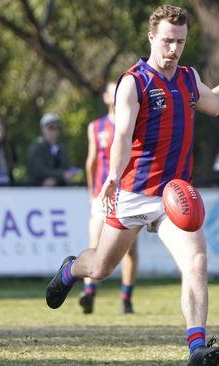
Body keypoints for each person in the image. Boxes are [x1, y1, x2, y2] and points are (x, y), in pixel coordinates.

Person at [45, 5, 219, 366]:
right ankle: (72, 269)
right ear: (151, 37)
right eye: (168, 40)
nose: (174, 48)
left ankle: (196, 346)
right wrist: (111, 177)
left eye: (180, 41)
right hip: (134, 194)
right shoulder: (133, 82)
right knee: (101, 268)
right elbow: (121, 136)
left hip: (174, 196)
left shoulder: (187, 78)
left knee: (197, 261)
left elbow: (216, 103)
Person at [80, 82, 139, 315]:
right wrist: (92, 191)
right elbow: (91, 161)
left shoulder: (135, 123)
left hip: (127, 194)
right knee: (94, 243)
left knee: (130, 250)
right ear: (105, 97)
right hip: (102, 195)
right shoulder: (96, 127)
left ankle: (126, 297)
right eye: (112, 92)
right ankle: (89, 292)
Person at [26, 113, 79, 186]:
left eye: (57, 127)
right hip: (37, 188)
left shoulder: (60, 147)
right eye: (51, 127)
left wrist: (69, 174)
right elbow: (38, 170)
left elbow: (66, 166)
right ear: (43, 129)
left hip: (59, 188)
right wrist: (61, 175)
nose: (54, 131)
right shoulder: (37, 146)